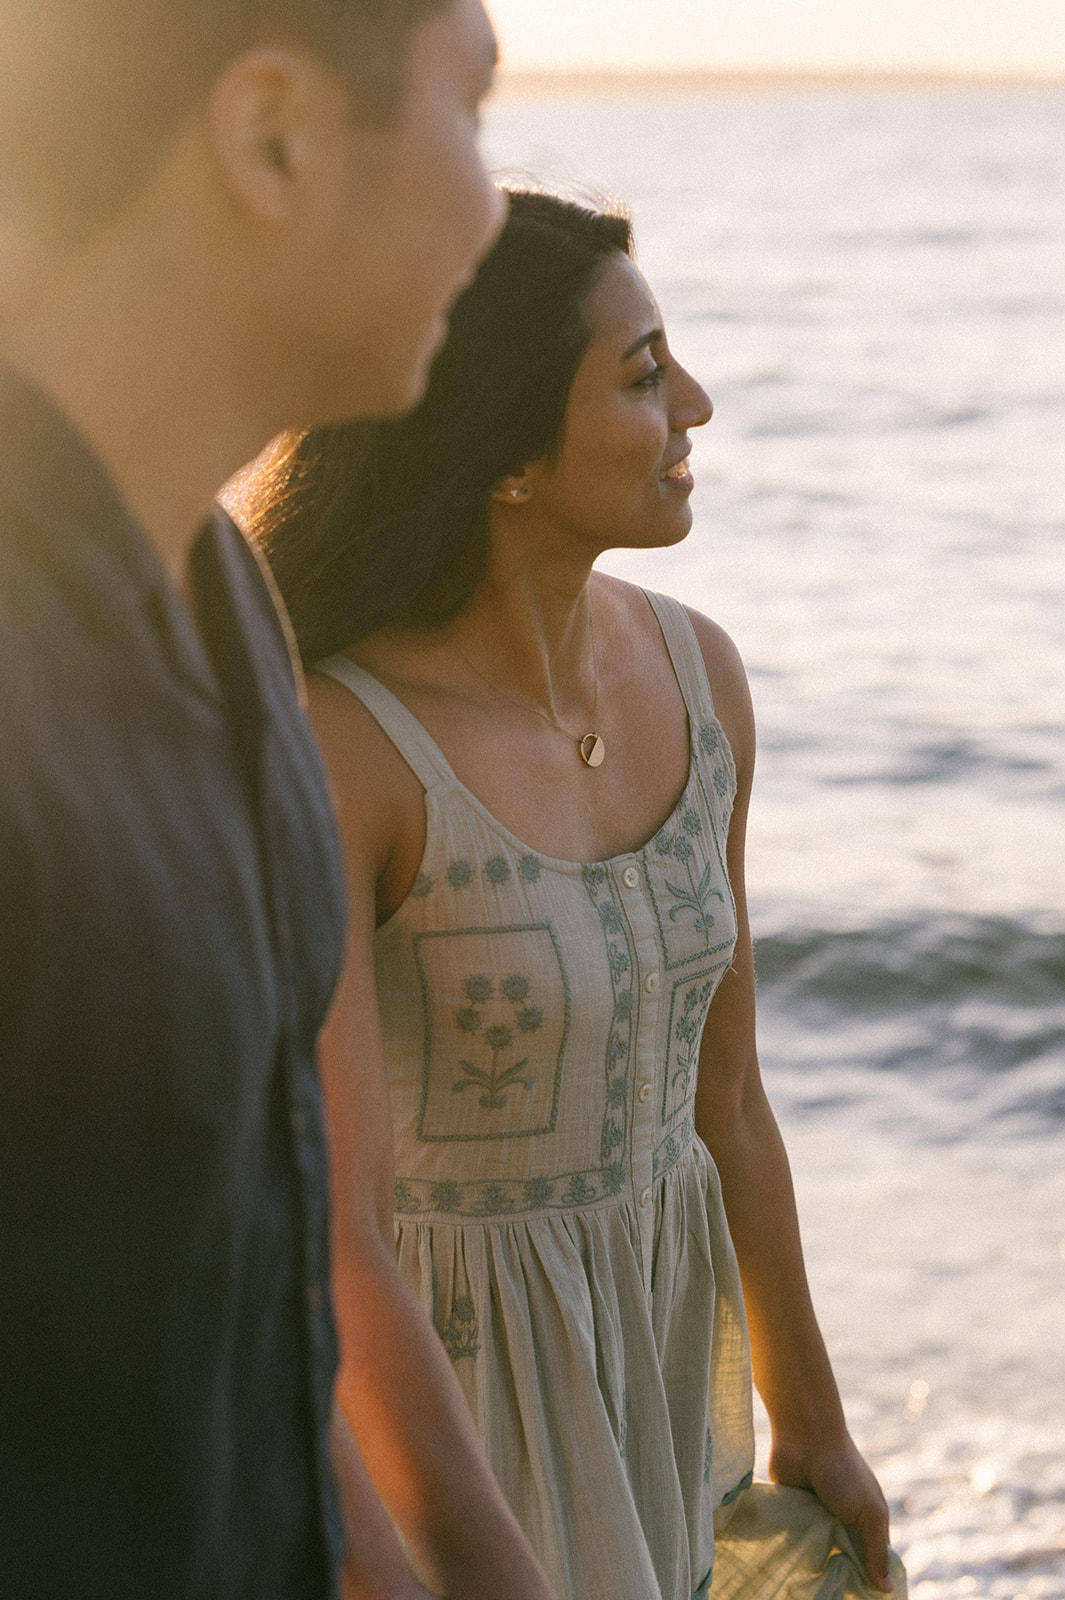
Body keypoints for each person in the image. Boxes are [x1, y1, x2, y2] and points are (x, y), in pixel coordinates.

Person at [241, 189, 908, 1600]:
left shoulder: (698, 678)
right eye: (644, 374)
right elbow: (336, 1224)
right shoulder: (343, 741)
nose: (699, 407)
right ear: (501, 451)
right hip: (444, 1390)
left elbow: (725, 1101)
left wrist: (816, 1423)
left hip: (664, 1353)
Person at [0, 5, 563, 1599]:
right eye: (470, 112)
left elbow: (224, 1293)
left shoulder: (218, 596)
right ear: (271, 138)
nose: (486, 204)